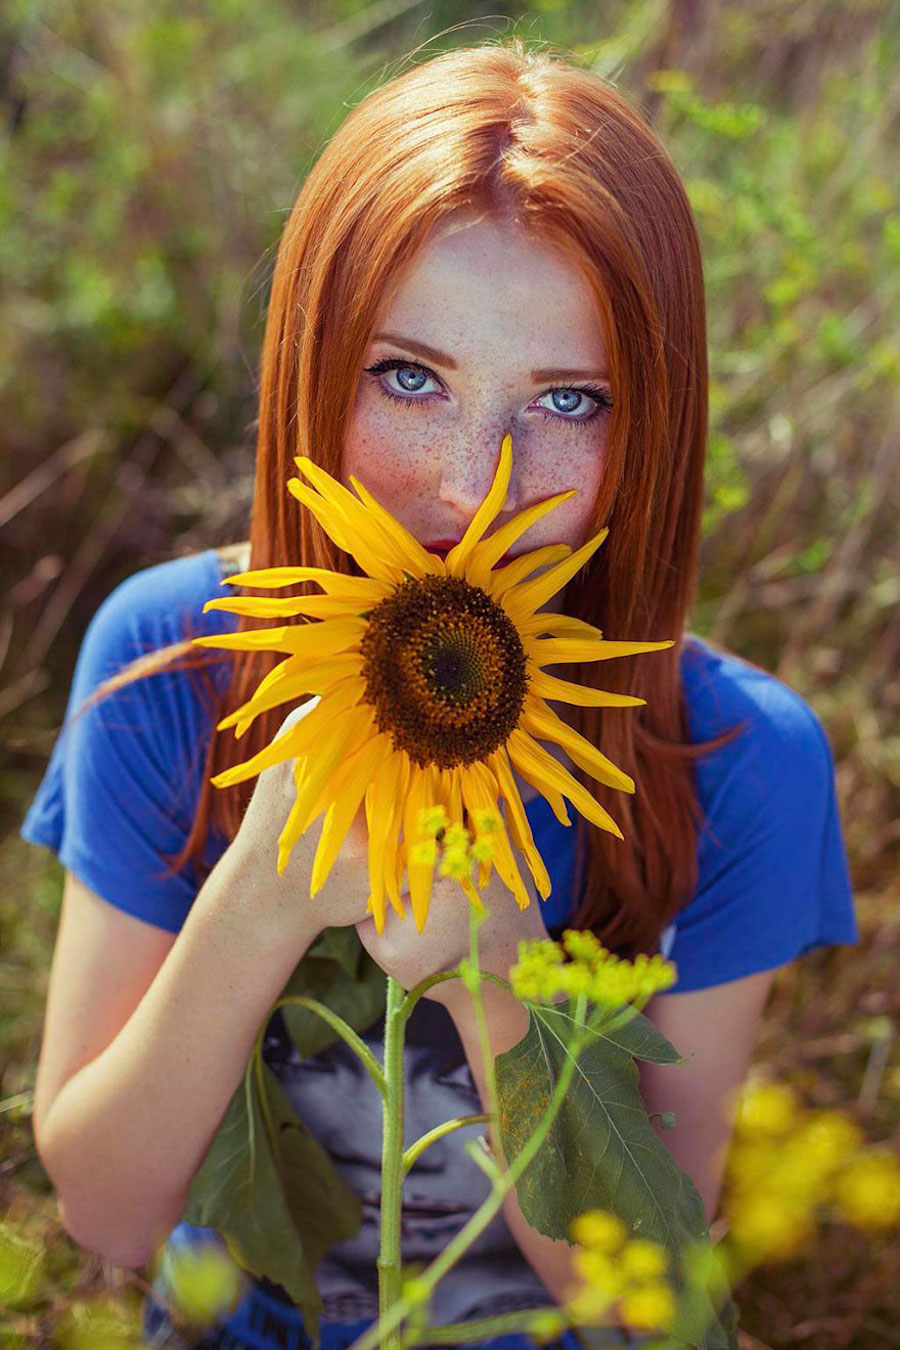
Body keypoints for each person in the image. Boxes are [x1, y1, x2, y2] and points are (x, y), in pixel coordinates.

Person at [19, 38, 859, 1350]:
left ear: (655, 426)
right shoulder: (178, 660)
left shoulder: (737, 755)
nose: (477, 486)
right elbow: (109, 1213)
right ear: (310, 365)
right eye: (410, 375)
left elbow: (655, 1303)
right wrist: (264, 892)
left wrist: (500, 980)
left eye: (569, 399)